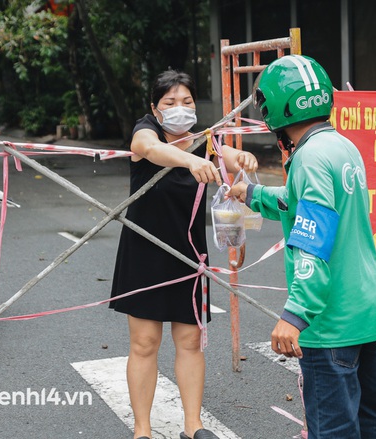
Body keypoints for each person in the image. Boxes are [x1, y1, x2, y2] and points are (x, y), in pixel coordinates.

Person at [227, 55, 376, 438]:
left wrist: (295, 314)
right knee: (369, 427)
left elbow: (312, 238)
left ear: (274, 111)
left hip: (330, 324)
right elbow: (302, 201)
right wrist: (253, 194)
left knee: (333, 432)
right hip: (367, 313)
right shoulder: (342, 147)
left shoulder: (309, 158)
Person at [110, 70, 258, 439]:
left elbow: (226, 153)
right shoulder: (146, 130)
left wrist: (243, 158)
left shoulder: (203, 139)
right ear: (154, 108)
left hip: (189, 254)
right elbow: (149, 149)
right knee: (144, 343)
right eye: (170, 102)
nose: (180, 109)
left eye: (187, 101)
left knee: (191, 341)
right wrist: (188, 161)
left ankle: (194, 426)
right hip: (144, 250)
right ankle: (141, 430)